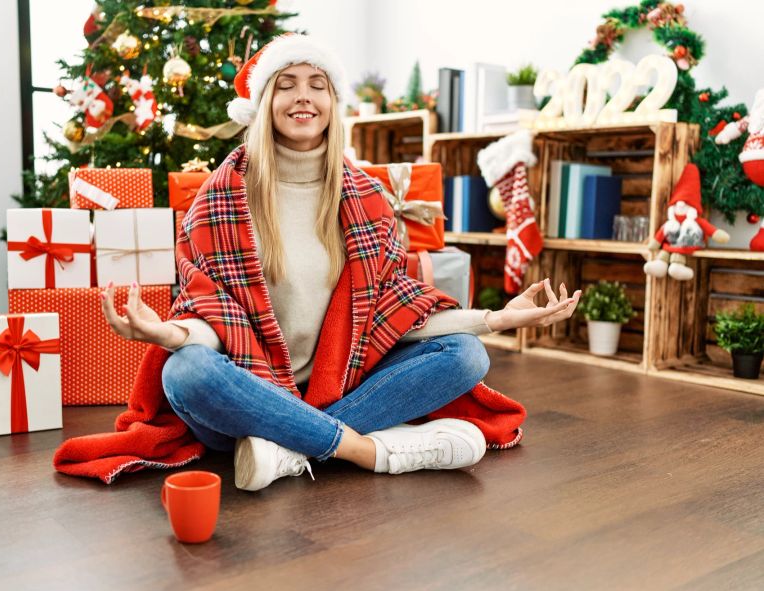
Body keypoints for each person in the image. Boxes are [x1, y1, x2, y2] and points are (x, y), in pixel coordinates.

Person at [100, 34, 580, 492]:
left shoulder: (367, 199)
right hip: (248, 398)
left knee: (468, 354)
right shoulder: (219, 199)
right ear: (263, 102)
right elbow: (210, 316)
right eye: (285, 85)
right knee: (185, 373)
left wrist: (493, 319)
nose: (302, 98)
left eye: (317, 85)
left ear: (333, 103)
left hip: (343, 388)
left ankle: (287, 451)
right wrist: (169, 335)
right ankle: (360, 450)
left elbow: (391, 313)